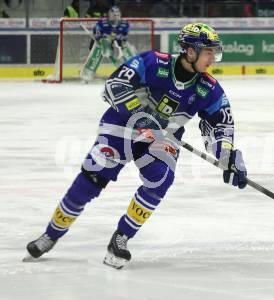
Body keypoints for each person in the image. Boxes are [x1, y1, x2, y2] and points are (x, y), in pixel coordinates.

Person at [25, 23, 248, 269]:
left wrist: (227, 155)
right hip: (121, 127)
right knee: (91, 181)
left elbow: (220, 125)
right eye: (208, 52)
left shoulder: (209, 88)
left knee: (161, 179)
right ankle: (51, 234)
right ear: (190, 51)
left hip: (160, 138)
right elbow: (115, 85)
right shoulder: (153, 62)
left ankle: (121, 237)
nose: (213, 58)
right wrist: (139, 114)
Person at [80, 6, 134, 82]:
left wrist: (118, 43)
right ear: (109, 15)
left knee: (126, 51)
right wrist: (104, 39)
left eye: (118, 15)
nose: (116, 17)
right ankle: (87, 74)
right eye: (114, 15)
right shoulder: (102, 23)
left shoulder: (124, 24)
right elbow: (97, 36)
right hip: (103, 43)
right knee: (101, 51)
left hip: (117, 43)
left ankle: (131, 72)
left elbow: (124, 38)